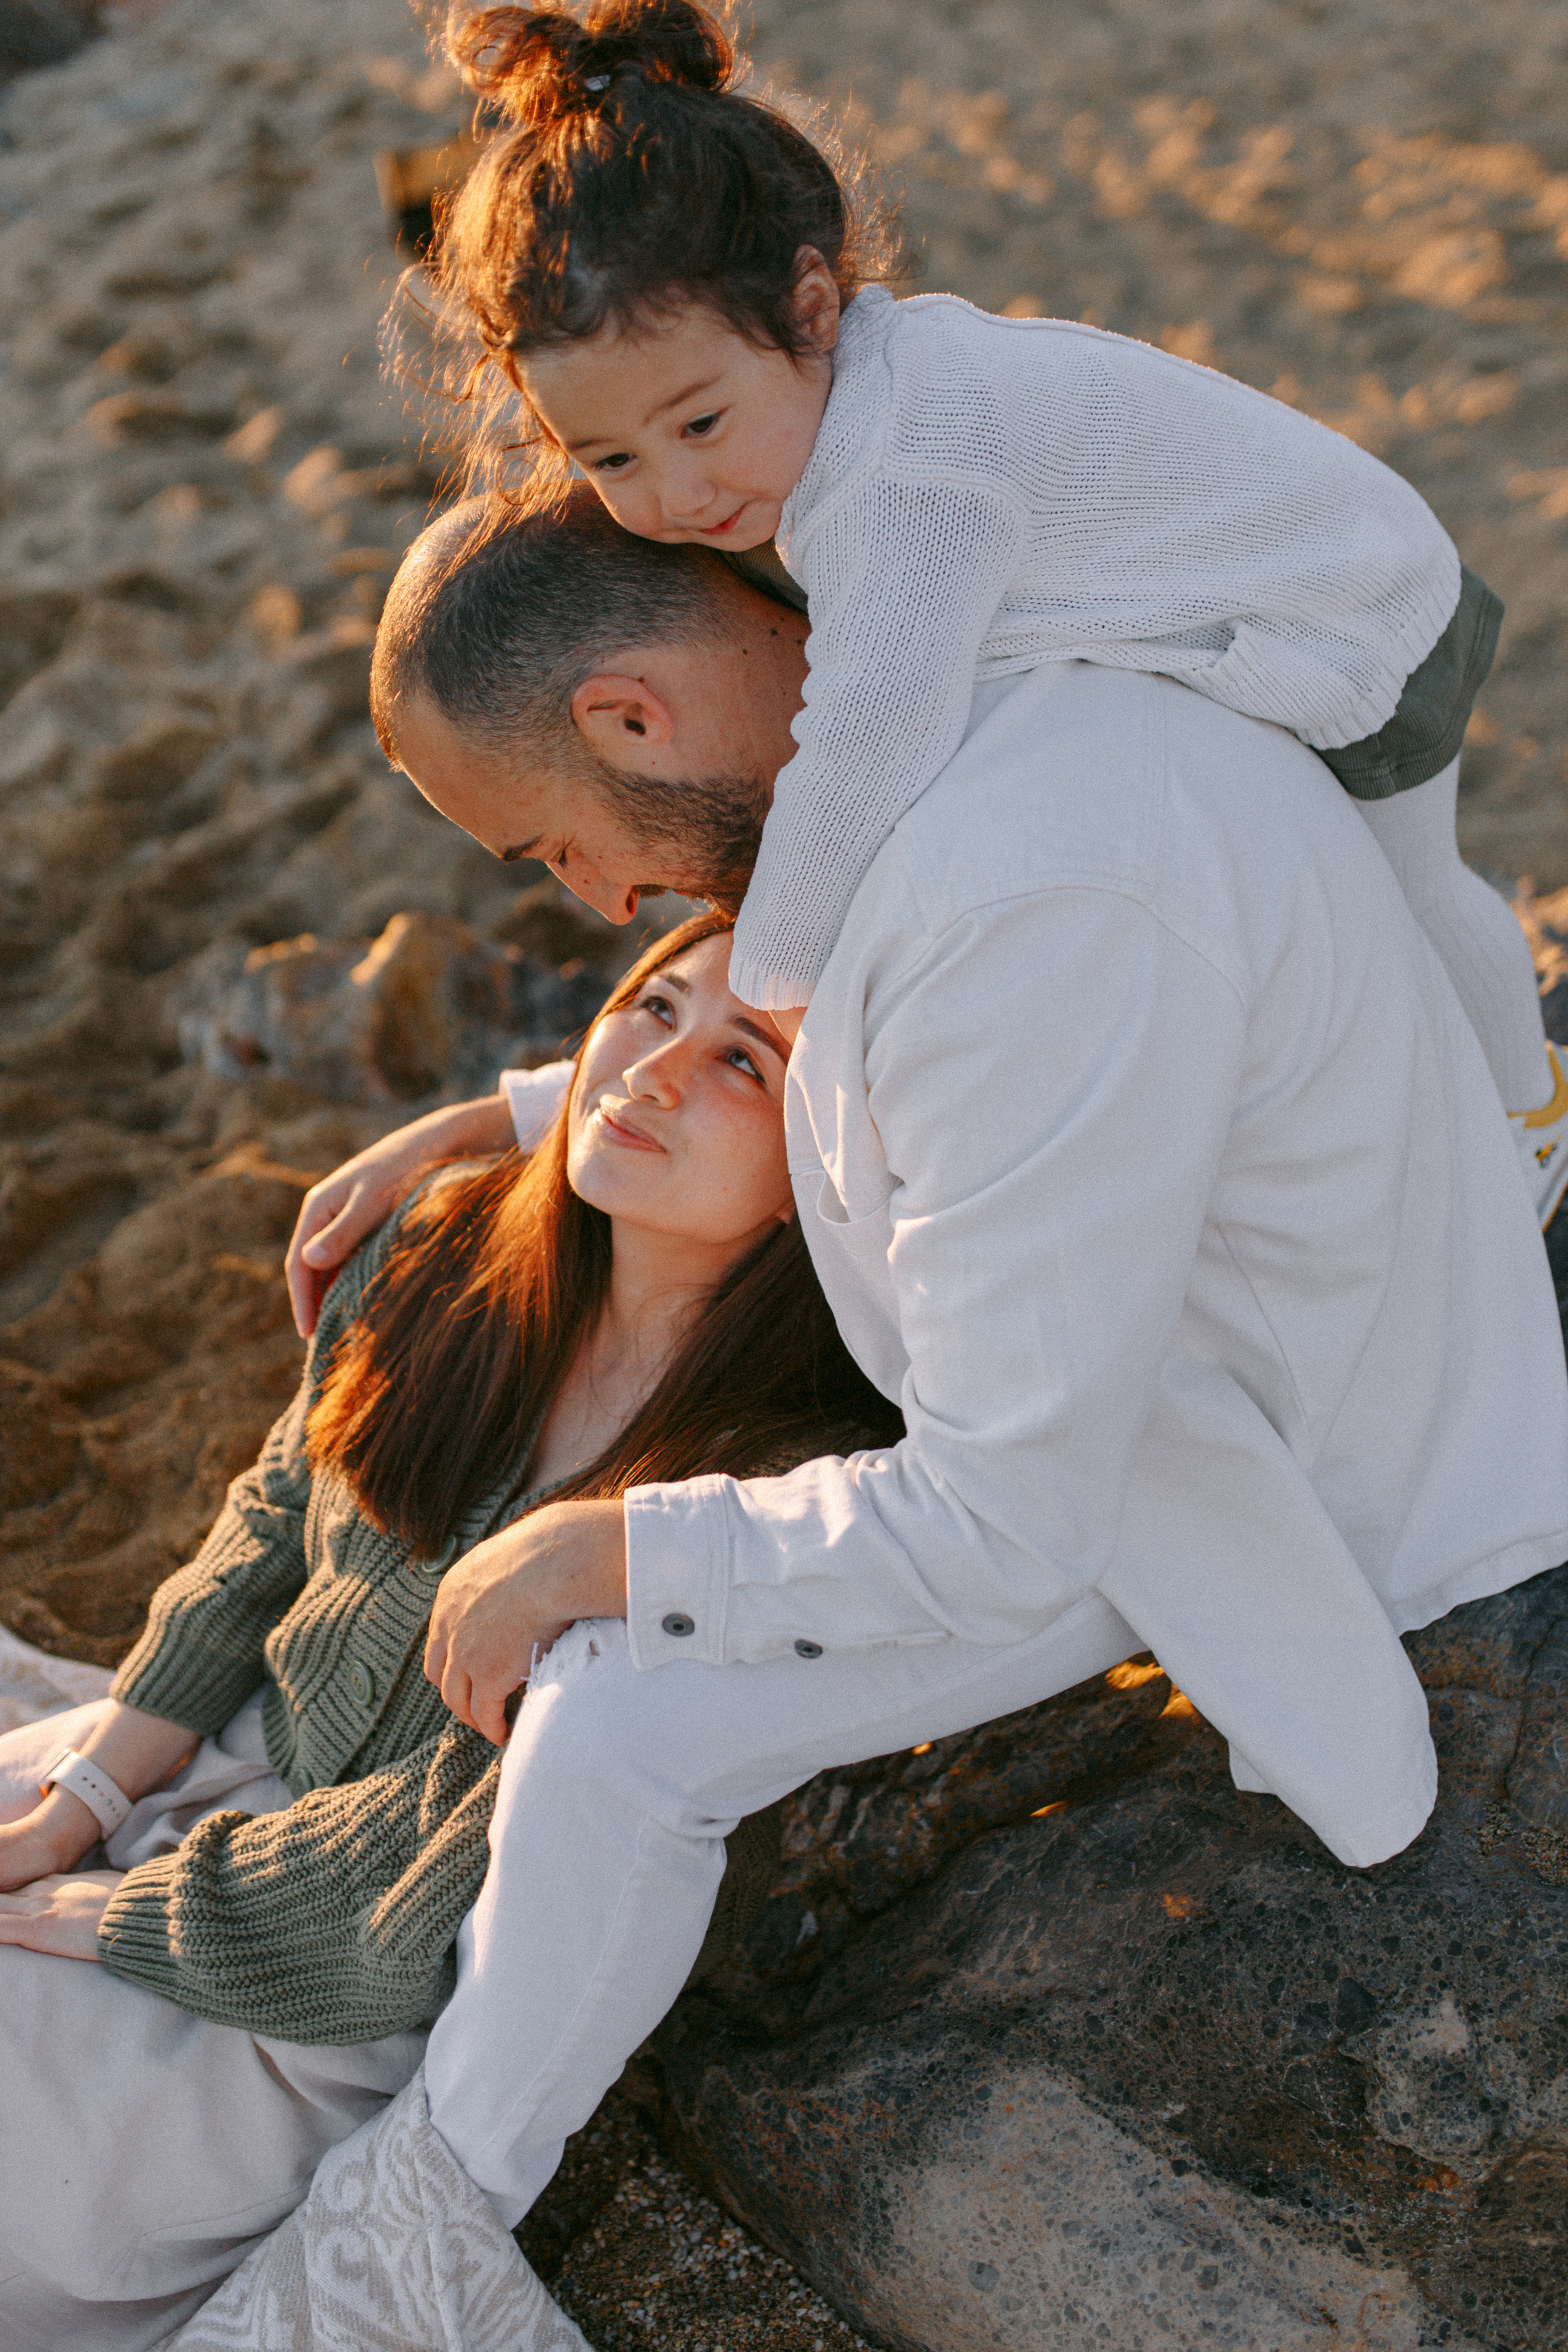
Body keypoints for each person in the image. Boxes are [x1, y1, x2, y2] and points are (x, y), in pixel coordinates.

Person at [270, 488, 1568, 2255]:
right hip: (1145, 1309)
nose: (599, 901)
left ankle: (420, 2238)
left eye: (547, 852)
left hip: (1235, 1437)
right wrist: (509, 1113)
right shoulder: (930, 693)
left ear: (629, 719)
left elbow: (1007, 1512)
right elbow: (801, 994)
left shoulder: (1018, 894)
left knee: (618, 1712)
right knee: (614, 1679)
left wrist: (616, 1551)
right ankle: (418, 2218)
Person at [416, 0, 1566, 1221]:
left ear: (811, 309)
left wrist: (780, 972)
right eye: (608, 461)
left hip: (1350, 603)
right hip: (1300, 556)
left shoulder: (902, 477)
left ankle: (1524, 1114)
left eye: (696, 423)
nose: (677, 490)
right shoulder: (831, 408)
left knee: (1411, 885)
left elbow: (870, 741)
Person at [0, 914, 898, 2350]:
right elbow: (267, 1528)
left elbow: (456, 1864)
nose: (651, 1071)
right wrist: (87, 1795)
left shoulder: (760, 1504)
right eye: (651, 1004)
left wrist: (121, 1912)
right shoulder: (451, 1240)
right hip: (200, 1774)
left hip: (314, 1982)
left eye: (743, 1060)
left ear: (831, 1164)